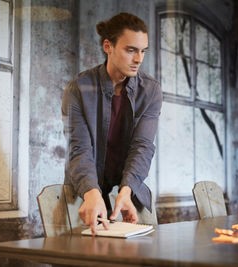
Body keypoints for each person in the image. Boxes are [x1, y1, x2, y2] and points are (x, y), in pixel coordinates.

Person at [61, 12, 162, 235]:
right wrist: (91, 191)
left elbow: (142, 146)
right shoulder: (78, 88)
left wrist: (126, 192)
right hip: (84, 196)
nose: (139, 59)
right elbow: (79, 148)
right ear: (108, 46)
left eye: (143, 51)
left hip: (129, 195)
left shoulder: (151, 91)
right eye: (131, 50)